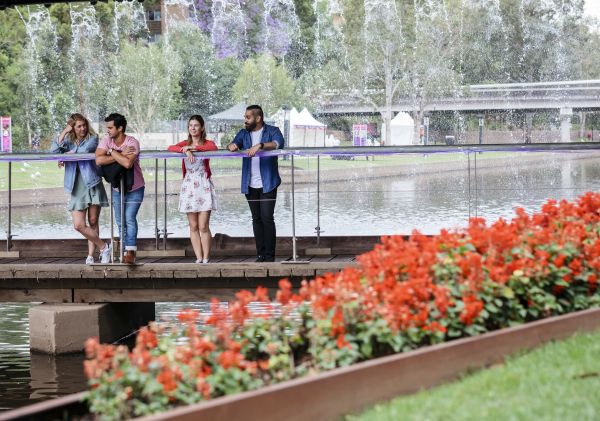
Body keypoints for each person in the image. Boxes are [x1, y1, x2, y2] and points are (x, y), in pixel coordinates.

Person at [226, 105, 284, 262]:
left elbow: (279, 143)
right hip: (249, 184)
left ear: (258, 118)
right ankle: (260, 254)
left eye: (248, 117)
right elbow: (235, 142)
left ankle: (270, 256)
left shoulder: (272, 130)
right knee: (256, 219)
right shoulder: (243, 133)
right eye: (245, 117)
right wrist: (233, 146)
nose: (245, 120)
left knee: (267, 218)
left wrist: (260, 145)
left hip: (268, 183)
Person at [50, 113, 110, 264]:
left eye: (84, 125)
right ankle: (103, 247)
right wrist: (64, 132)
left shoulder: (93, 139)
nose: (82, 129)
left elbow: (84, 152)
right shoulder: (68, 141)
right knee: (78, 225)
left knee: (93, 220)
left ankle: (91, 255)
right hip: (76, 185)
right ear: (73, 128)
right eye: (78, 126)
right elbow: (53, 151)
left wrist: (66, 155)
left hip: (92, 182)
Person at [95, 113, 145, 264]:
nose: (108, 131)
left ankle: (130, 252)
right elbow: (98, 159)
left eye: (110, 128)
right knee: (120, 221)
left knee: (129, 219)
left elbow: (128, 164)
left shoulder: (132, 142)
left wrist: (111, 152)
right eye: (107, 128)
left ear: (120, 128)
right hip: (117, 188)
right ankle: (123, 251)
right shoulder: (106, 140)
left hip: (135, 187)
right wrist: (118, 154)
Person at [168, 115, 218, 263]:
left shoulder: (207, 143)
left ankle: (206, 257)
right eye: (190, 125)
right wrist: (185, 150)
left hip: (203, 184)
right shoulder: (184, 143)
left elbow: (212, 148)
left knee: (203, 225)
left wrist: (193, 148)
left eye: (196, 125)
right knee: (193, 225)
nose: (193, 128)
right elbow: (170, 148)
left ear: (202, 127)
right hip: (189, 185)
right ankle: (199, 257)